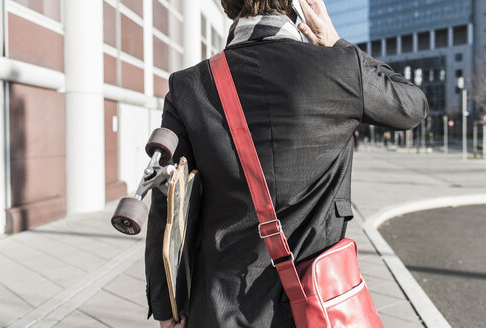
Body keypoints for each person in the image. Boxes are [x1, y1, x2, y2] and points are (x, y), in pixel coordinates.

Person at [145, 0, 429, 327]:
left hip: (219, 305)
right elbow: (412, 106)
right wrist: (338, 43)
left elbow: (168, 203)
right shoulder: (339, 69)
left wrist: (167, 309)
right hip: (320, 302)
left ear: (227, 5)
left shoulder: (189, 86)